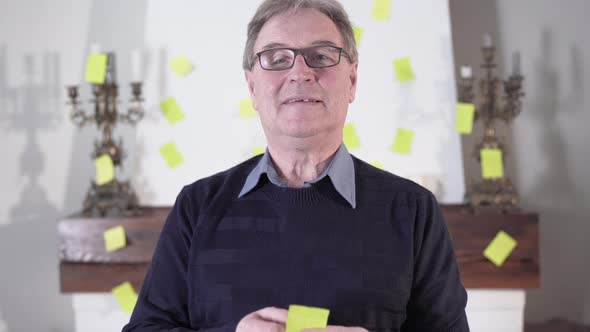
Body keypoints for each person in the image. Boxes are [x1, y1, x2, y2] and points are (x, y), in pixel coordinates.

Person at [123, 0, 470, 331]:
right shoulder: (197, 206)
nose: (300, 72)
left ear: (351, 81)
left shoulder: (413, 210)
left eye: (321, 56)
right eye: (276, 59)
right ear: (252, 87)